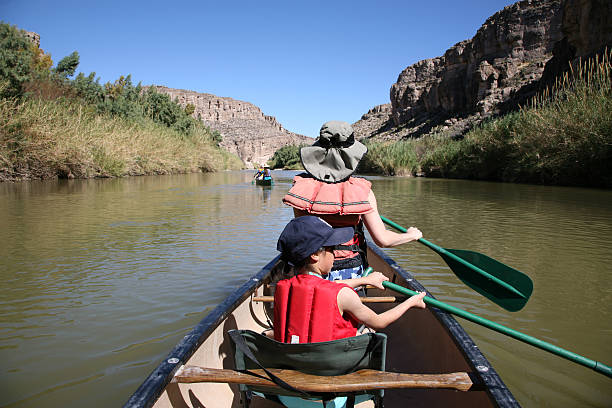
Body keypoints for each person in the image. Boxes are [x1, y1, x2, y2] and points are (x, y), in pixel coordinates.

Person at [283, 120, 423, 282]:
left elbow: (304, 235)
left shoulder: (301, 188)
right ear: (351, 157)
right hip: (349, 269)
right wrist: (411, 235)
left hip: (310, 270)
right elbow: (383, 240)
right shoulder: (363, 191)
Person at [274, 216, 426, 344]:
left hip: (293, 360)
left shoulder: (283, 287)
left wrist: (364, 280)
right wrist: (412, 301)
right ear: (315, 255)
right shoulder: (345, 295)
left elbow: (323, 287)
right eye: (332, 249)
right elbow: (380, 321)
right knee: (371, 329)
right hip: (335, 366)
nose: (335, 254)